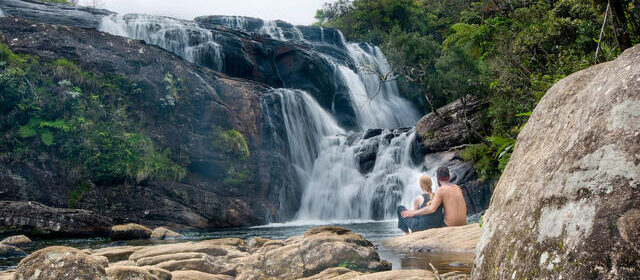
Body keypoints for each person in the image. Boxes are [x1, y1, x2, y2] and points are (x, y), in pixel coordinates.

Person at [401, 166, 467, 227]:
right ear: (449, 177)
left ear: (437, 178)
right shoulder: (457, 187)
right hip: (463, 223)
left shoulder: (441, 190)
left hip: (450, 225)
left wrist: (413, 213)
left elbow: (431, 209)